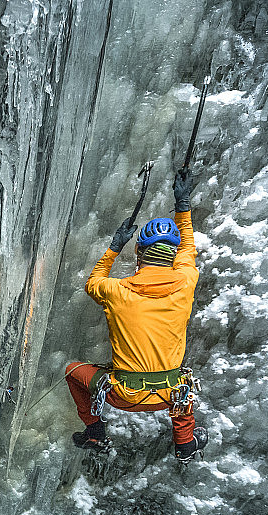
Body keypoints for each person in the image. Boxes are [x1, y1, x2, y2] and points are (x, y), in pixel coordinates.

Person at [65, 169, 208, 463]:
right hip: (168, 397)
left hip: (124, 397)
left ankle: (95, 433)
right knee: (181, 383)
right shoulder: (186, 281)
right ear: (172, 256)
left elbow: (92, 281)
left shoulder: (116, 290)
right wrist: (183, 206)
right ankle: (184, 444)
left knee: (72, 370)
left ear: (140, 254)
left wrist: (115, 246)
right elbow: (188, 250)